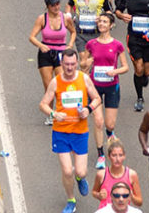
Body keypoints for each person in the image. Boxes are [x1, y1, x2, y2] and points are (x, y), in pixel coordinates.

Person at [39, 47, 101, 213]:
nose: (70, 67)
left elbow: (97, 98)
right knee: (67, 170)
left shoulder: (84, 79)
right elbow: (43, 104)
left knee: (80, 170)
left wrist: (88, 109)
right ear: (61, 63)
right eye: (66, 64)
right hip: (61, 132)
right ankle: (71, 200)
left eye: (73, 64)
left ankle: (80, 178)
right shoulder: (56, 82)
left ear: (76, 64)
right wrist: (53, 113)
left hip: (80, 132)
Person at [84, 14, 128, 166]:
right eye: (100, 21)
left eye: (105, 22)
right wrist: (87, 62)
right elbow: (83, 65)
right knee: (98, 121)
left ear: (111, 25)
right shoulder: (91, 44)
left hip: (111, 86)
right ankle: (101, 154)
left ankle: (110, 133)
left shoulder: (117, 45)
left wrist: (114, 72)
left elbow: (125, 67)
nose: (102, 24)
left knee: (109, 124)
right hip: (94, 87)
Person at [30, 0, 77, 124]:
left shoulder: (65, 18)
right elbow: (32, 37)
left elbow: (73, 32)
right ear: (47, 7)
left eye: (57, 4)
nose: (56, 7)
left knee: (62, 83)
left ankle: (63, 110)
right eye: (52, 5)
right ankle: (51, 113)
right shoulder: (42, 19)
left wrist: (70, 45)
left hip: (61, 53)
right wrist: (41, 45)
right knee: (49, 85)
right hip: (46, 53)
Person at [92, 137, 143, 209]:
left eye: (120, 155)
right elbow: (94, 192)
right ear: (109, 156)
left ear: (124, 156)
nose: (117, 159)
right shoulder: (101, 174)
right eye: (114, 155)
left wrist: (132, 197)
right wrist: (99, 195)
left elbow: (139, 201)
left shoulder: (131, 175)